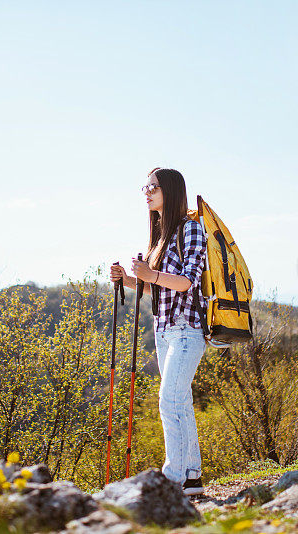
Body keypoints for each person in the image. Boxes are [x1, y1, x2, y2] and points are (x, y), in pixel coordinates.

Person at [109, 167, 208, 496]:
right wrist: (128, 280)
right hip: (164, 331)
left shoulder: (191, 229)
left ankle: (173, 477)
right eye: (145, 187)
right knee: (181, 401)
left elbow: (186, 283)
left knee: (169, 401)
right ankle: (191, 475)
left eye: (153, 187)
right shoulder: (160, 235)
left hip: (187, 328)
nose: (147, 192)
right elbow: (157, 287)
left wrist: (149, 275)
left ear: (171, 190)